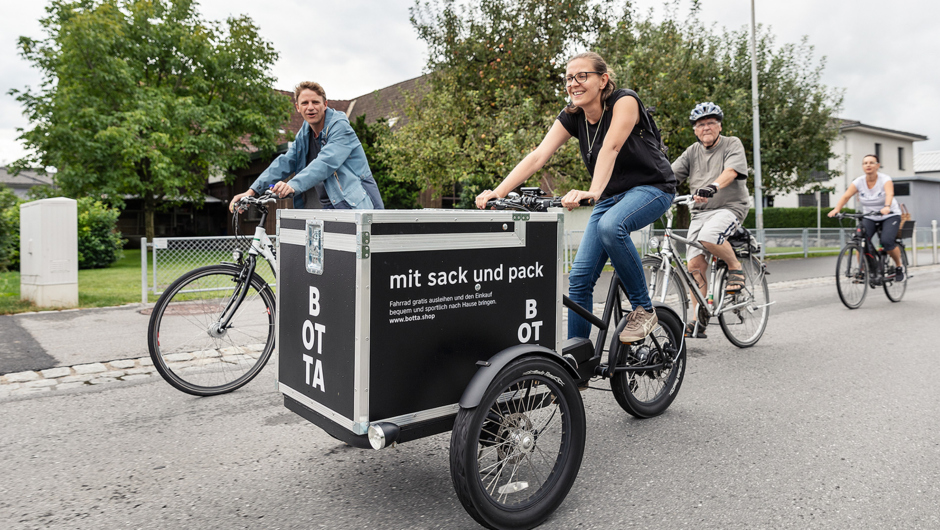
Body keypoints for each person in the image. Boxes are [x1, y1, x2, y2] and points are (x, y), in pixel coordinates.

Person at [475, 52, 676, 343]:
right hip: (610, 196)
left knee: (611, 227)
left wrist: (593, 192)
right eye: (569, 78)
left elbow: (612, 146)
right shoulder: (572, 116)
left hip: (652, 188)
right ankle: (577, 363)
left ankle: (643, 309)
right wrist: (498, 191)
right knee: (579, 280)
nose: (574, 83)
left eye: (582, 76)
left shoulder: (624, 101)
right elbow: (537, 156)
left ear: (603, 79)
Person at [229, 81, 384, 212]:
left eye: (315, 102)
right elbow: (285, 161)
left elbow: (325, 162)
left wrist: (292, 185)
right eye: (305, 103)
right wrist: (252, 191)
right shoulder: (305, 134)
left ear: (325, 105)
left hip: (356, 206)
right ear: (298, 107)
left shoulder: (340, 128)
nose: (310, 107)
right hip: (326, 208)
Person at [670, 102, 750, 338]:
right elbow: (668, 175)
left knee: (709, 237)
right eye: (701, 124)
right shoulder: (691, 152)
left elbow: (731, 172)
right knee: (694, 266)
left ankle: (735, 267)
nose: (706, 128)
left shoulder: (731, 143)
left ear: (719, 126)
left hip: (730, 207)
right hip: (700, 212)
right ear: (695, 130)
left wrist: (712, 186)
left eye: (710, 123)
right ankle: (699, 316)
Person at [828, 154, 904, 280]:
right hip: (870, 216)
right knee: (860, 241)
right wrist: (837, 209)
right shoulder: (859, 182)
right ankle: (862, 270)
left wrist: (886, 206)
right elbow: (846, 196)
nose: (868, 165)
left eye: (871, 162)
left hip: (889, 215)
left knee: (886, 242)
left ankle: (899, 266)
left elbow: (890, 193)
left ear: (877, 166)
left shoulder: (885, 179)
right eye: (865, 163)